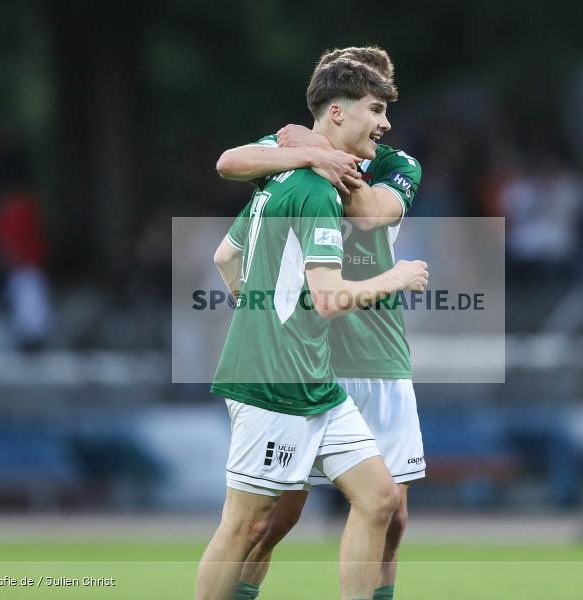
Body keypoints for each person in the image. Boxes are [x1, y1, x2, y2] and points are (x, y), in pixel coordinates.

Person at [198, 57, 429, 600]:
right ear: (336, 108)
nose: (386, 121)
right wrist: (315, 154)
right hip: (288, 366)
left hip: (358, 361)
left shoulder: (394, 164)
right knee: (261, 522)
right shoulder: (303, 178)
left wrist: (322, 154)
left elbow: (371, 213)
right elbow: (230, 163)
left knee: (385, 506)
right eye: (376, 107)